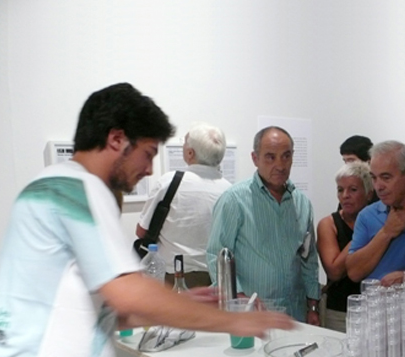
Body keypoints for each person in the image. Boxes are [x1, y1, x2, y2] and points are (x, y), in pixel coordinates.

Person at [0, 83, 293, 357]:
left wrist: (189, 305)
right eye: (148, 154)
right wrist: (237, 320)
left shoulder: (50, 186)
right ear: (116, 140)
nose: (149, 168)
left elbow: (110, 313)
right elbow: (130, 298)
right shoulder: (78, 189)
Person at [207, 126, 320, 324]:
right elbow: (216, 256)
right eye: (270, 157)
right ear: (255, 158)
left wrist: (312, 306)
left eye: (286, 156)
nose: (280, 165)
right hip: (253, 313)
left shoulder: (302, 203)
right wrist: (238, 298)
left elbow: (308, 259)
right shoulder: (235, 200)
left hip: (295, 313)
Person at [136, 123, 231, 287]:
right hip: (219, 279)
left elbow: (141, 231)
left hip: (175, 278)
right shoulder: (230, 190)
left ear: (190, 153)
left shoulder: (169, 182)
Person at [346, 141, 405, 286]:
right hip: (375, 305)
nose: (378, 186)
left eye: (386, 178)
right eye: (374, 178)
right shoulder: (367, 215)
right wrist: (386, 232)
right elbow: (354, 272)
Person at [317, 162, 374, 332]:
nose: (345, 196)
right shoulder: (329, 224)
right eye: (340, 190)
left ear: (369, 194)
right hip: (339, 311)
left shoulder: (380, 221)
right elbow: (334, 271)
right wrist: (362, 233)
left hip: (374, 309)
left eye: (353, 190)